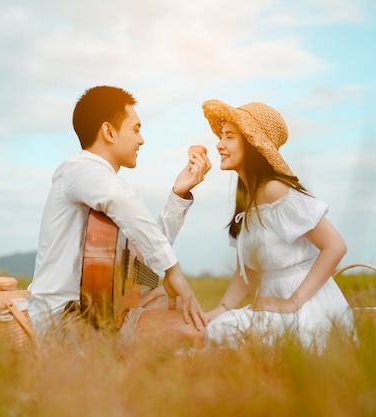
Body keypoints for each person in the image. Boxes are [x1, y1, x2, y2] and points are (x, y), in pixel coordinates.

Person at [28, 85, 210, 343]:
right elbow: (120, 197)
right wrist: (173, 271)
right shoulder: (79, 171)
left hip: (97, 310)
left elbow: (147, 253)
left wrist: (178, 195)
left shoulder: (99, 188)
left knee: (165, 299)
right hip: (67, 320)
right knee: (197, 331)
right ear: (108, 131)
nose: (141, 139)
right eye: (136, 129)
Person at [201, 99, 355, 351]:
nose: (219, 144)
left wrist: (293, 302)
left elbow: (335, 246)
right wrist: (219, 310)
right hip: (272, 306)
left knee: (220, 336)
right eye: (221, 136)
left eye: (229, 136)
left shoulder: (274, 190)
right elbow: (250, 271)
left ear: (251, 144)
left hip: (308, 309)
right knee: (214, 329)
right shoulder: (247, 200)